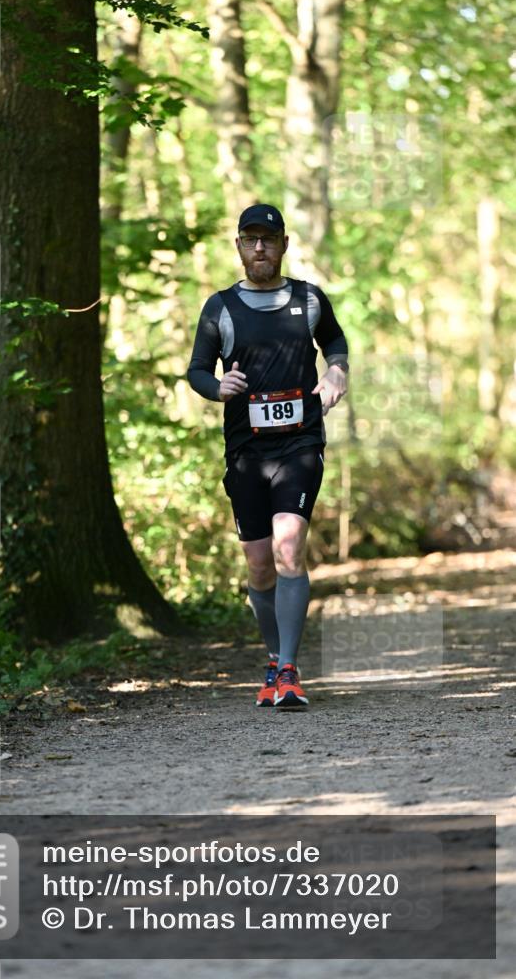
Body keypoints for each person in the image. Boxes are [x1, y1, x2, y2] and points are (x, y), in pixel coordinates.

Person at [187, 204, 349, 708]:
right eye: (250, 239)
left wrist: (337, 371)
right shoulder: (219, 308)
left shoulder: (308, 299)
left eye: (269, 239)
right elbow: (195, 370)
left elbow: (335, 341)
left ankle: (289, 670)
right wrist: (218, 387)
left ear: (283, 245)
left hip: (300, 443)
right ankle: (274, 659)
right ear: (238, 246)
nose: (260, 248)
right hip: (246, 452)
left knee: (288, 547)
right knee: (259, 568)